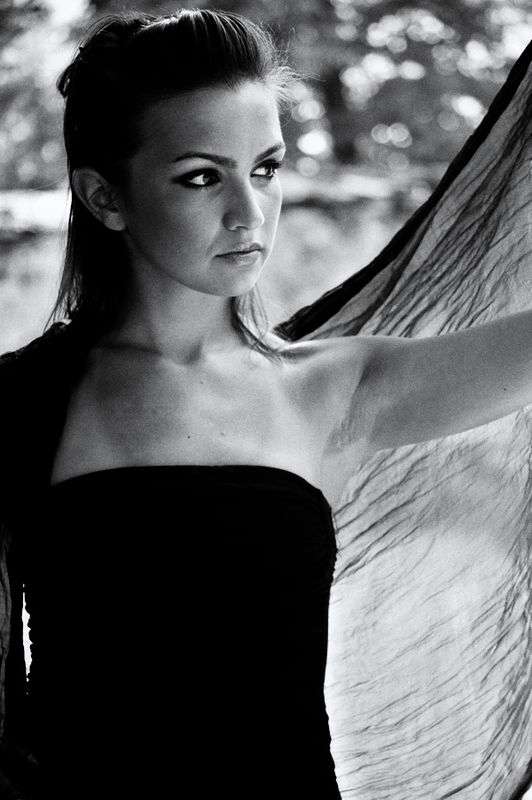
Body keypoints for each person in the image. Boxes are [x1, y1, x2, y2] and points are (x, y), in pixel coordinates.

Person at [0, 7, 530, 799]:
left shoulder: (336, 390)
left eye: (267, 168)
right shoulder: (19, 402)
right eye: (201, 176)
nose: (249, 213)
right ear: (105, 196)